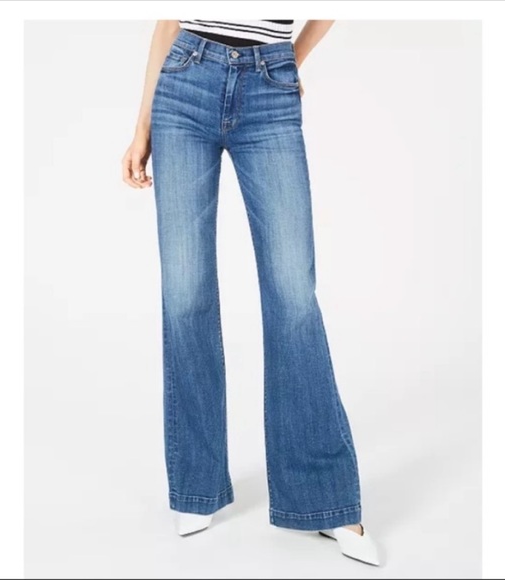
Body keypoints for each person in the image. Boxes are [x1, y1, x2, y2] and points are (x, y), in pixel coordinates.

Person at [122, 19, 381, 566]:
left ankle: (323, 497)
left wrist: (290, 60)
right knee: (185, 293)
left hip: (270, 86)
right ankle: (196, 486)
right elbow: (169, 19)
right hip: (184, 81)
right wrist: (142, 126)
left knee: (293, 294)